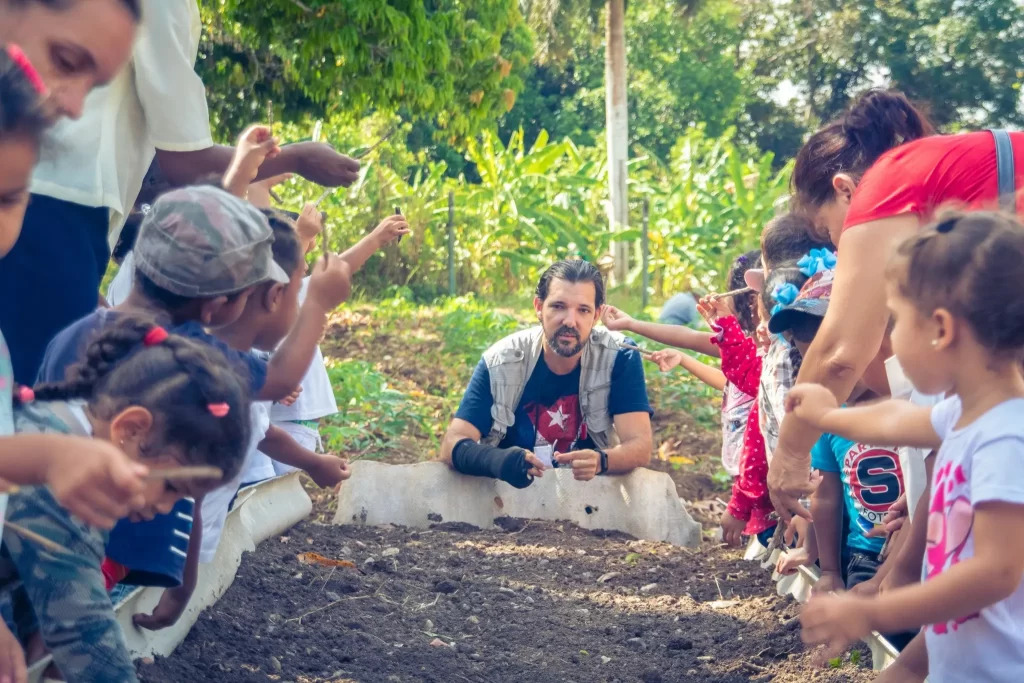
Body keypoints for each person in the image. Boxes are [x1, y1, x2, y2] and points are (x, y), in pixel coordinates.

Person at [0, 0, 363, 385]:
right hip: (58, 208)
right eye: (68, 61)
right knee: (38, 401)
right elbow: (185, 159)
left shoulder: (112, 328)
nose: (74, 107)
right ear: (218, 300)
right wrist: (296, 158)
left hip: (53, 205)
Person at [768, 88, 1023, 532]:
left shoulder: (886, 182)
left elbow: (841, 353)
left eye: (832, 234)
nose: (838, 248)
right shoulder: (965, 167)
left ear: (845, 190)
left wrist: (789, 453)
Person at [789, 211, 1024, 683]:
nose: (889, 341)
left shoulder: (1007, 436)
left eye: (895, 321)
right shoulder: (968, 413)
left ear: (941, 329)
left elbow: (997, 571)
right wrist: (828, 416)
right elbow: (899, 418)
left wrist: (877, 613)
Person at [2, 316, 251, 683]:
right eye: (171, 488)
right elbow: (87, 638)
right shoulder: (64, 487)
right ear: (131, 429)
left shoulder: (54, 425)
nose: (165, 509)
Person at [440, 260, 653, 487]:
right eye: (558, 306)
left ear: (597, 315)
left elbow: (640, 445)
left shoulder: (618, 356)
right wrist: (497, 460)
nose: (570, 321)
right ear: (538, 307)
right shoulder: (501, 362)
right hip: (508, 502)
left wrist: (602, 460)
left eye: (583, 310)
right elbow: (452, 443)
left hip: (591, 502)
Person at [640, 251, 761, 478]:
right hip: (743, 469)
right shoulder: (744, 350)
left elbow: (688, 336)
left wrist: (631, 323)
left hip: (761, 472)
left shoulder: (760, 350)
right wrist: (684, 359)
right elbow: (732, 385)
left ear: (750, 301)